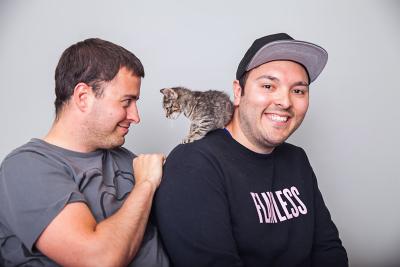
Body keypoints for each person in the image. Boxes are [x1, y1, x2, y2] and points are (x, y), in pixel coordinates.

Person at [155, 33, 348, 267]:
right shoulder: (193, 165)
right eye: (268, 85)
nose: (285, 102)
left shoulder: (296, 159)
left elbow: (328, 250)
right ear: (238, 92)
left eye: (298, 90)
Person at [0, 38, 170, 266]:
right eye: (126, 102)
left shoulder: (125, 159)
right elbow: (97, 260)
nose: (135, 117)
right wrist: (146, 185)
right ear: (83, 97)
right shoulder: (26, 168)